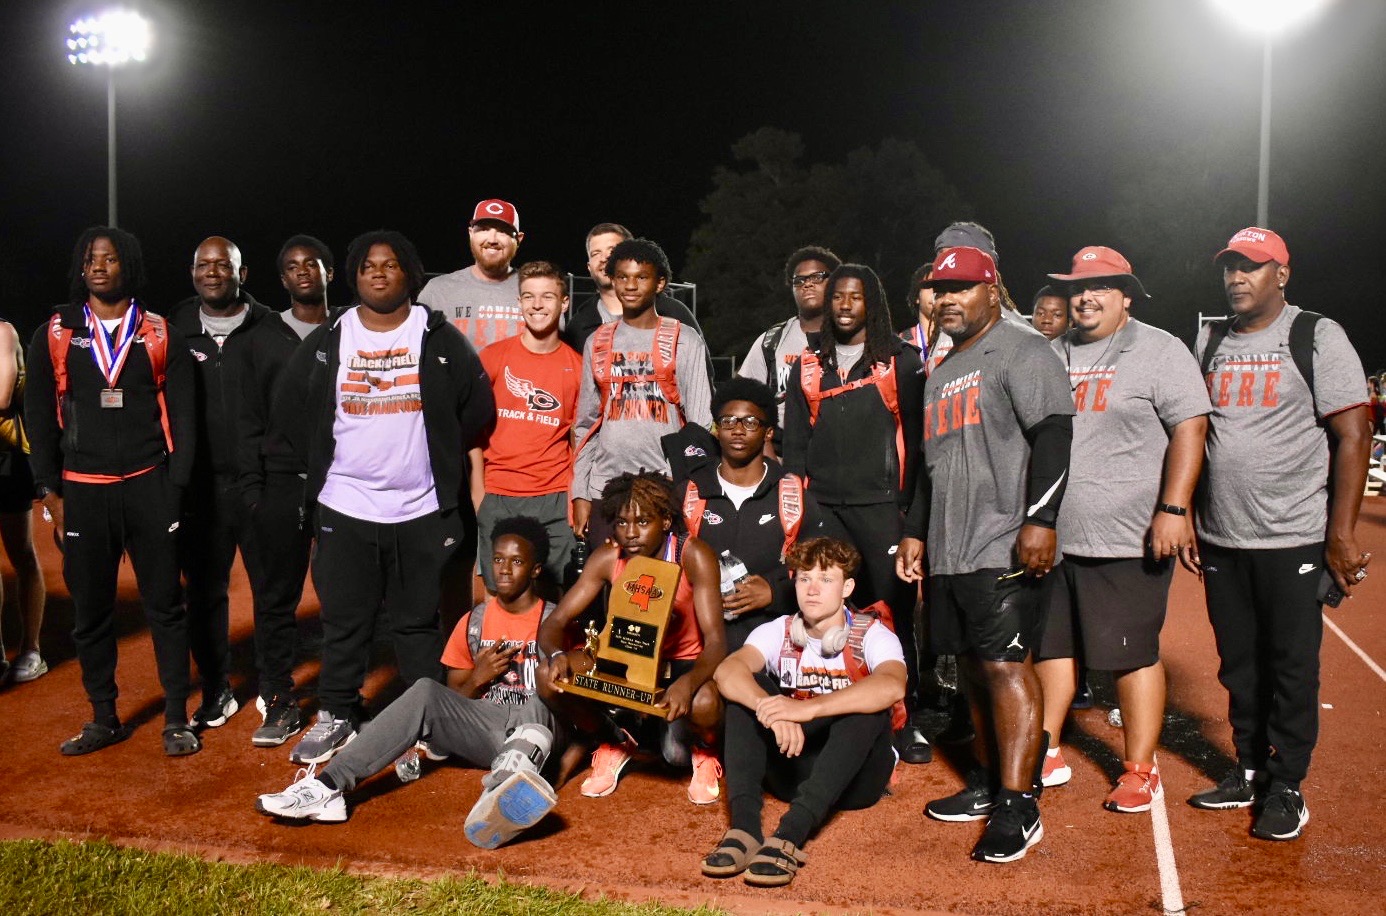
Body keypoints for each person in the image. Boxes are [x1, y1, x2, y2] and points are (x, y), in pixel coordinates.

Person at [274, 230, 495, 765]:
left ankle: (426, 721)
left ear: (409, 275)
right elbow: (287, 407)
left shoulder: (438, 337)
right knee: (345, 619)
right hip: (345, 504)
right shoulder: (331, 337)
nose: (378, 272)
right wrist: (324, 466)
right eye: (369, 265)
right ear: (353, 275)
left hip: (420, 506)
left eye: (391, 265)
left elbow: (478, 409)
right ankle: (338, 716)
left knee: (417, 621)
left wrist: (437, 452)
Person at [1186, 227, 1371, 842]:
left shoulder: (1315, 334)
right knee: (1238, 665)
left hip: (1293, 535)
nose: (1237, 278)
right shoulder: (1209, 338)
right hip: (1222, 538)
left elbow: (1353, 435)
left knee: (1291, 666)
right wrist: (1183, 510)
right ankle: (1247, 768)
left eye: (1253, 268)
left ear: (1281, 275)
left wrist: (1339, 534)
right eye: (1231, 268)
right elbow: (1190, 433)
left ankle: (1286, 783)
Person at [896, 245, 1074, 863]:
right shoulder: (943, 368)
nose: (949, 299)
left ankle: (1019, 806)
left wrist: (1040, 520)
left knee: (1005, 666)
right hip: (950, 545)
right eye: (940, 289)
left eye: (963, 288)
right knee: (971, 664)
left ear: (992, 290)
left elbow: (1053, 432)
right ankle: (988, 781)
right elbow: (929, 465)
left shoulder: (1025, 350)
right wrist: (917, 530)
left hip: (1004, 538)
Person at [256, 517, 561, 849]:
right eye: (498, 559)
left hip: (537, 727)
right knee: (426, 690)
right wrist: (478, 676)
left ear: (535, 570)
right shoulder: (475, 622)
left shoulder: (555, 622)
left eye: (516, 561)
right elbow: (454, 695)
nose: (503, 569)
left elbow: (573, 702)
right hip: (487, 726)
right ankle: (327, 787)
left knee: (535, 715)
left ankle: (504, 788)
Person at [1033, 247, 1210, 813]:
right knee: (1051, 648)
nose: (1086, 297)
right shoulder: (1049, 352)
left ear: (1126, 295)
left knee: (1132, 654)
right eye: (1078, 287)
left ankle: (1140, 769)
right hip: (1054, 534)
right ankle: (1047, 749)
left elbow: (1191, 427)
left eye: (1102, 287)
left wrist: (1174, 510)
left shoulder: (1159, 349)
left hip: (1126, 533)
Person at [26, 227, 199, 756]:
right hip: (84, 491)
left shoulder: (158, 331)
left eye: (110, 258)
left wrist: (174, 492)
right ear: (81, 269)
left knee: (165, 606)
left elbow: (185, 423)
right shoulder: (55, 332)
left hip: (149, 486)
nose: (99, 266)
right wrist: (51, 494)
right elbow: (39, 415)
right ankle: (104, 717)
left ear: (129, 266)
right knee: (92, 613)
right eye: (90, 259)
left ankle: (176, 718)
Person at [780, 264, 927, 764]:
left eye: (855, 297)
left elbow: (919, 443)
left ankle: (905, 719)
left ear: (872, 304)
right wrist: (798, 512)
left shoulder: (901, 363)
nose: (844, 305)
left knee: (892, 613)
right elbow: (795, 447)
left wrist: (908, 512)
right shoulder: (806, 364)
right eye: (838, 296)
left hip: (882, 507)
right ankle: (829, 706)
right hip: (825, 506)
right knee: (822, 607)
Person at [702, 537, 905, 888]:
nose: (813, 589)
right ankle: (745, 828)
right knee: (745, 693)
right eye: (804, 578)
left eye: (826, 579)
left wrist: (805, 710)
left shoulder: (873, 634)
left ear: (847, 587)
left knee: (866, 705)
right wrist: (777, 713)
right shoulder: (777, 630)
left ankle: (790, 834)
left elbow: (891, 686)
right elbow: (726, 672)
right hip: (792, 769)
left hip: (855, 781)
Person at [538, 471, 726, 804]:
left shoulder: (692, 554)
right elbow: (556, 621)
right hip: (625, 663)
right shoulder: (610, 557)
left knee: (679, 748)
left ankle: (705, 751)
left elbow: (716, 642)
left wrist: (690, 682)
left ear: (666, 520)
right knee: (548, 677)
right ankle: (611, 739)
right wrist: (556, 655)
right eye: (622, 523)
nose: (631, 533)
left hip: (678, 668)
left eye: (642, 522)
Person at [236, 234, 333, 746]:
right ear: (282, 278)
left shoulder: (348, 330)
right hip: (279, 484)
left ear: (328, 273)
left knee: (344, 593)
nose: (302, 272)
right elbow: (246, 419)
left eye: (311, 265)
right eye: (292, 266)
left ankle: (341, 700)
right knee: (277, 597)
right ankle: (277, 697)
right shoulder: (260, 336)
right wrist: (254, 489)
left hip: (340, 483)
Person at [171, 236, 269, 731]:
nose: (212, 272)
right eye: (202, 264)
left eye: (222, 264)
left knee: (270, 590)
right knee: (205, 593)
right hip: (201, 490)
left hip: (257, 483)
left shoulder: (268, 326)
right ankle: (216, 689)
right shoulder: (174, 330)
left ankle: (274, 687)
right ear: (193, 273)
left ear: (241, 272)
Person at [570, 238, 713, 548]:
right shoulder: (597, 340)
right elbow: (586, 424)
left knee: (660, 585)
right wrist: (581, 491)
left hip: (663, 486)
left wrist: (683, 488)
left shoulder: (683, 339)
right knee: (609, 584)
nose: (630, 285)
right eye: (622, 276)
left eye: (641, 277)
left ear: (659, 282)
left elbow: (700, 423)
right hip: (604, 486)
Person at [677, 377, 832, 649]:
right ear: (716, 429)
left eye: (750, 422)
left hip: (774, 647)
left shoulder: (793, 495)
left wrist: (775, 591)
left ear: (768, 432)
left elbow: (821, 571)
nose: (738, 430)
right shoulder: (689, 493)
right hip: (696, 645)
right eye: (728, 421)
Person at [473, 261, 583, 591]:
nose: (537, 305)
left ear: (564, 303)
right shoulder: (492, 358)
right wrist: (480, 496)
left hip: (553, 498)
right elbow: (472, 436)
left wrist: (574, 501)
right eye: (528, 296)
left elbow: (579, 441)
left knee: (558, 596)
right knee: (501, 596)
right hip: (500, 493)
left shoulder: (576, 367)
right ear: (519, 302)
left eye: (547, 296)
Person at [561, 222, 707, 356]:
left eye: (612, 250)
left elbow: (702, 375)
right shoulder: (578, 327)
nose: (604, 258)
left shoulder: (673, 312)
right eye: (595, 253)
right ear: (589, 267)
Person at [737, 246, 843, 426]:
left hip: (839, 445)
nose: (807, 284)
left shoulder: (853, 338)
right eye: (799, 280)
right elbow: (739, 397)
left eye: (817, 277)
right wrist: (766, 445)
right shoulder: (772, 341)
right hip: (782, 447)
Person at [0, 316, 46, 685]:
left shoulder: (4, 332)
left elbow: (1, 398)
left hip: (7, 459)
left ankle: (31, 649)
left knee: (22, 553)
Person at [417, 199, 525, 350]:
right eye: (484, 229)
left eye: (502, 231)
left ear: (518, 239)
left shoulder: (537, 292)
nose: (492, 239)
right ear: (471, 234)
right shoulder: (438, 291)